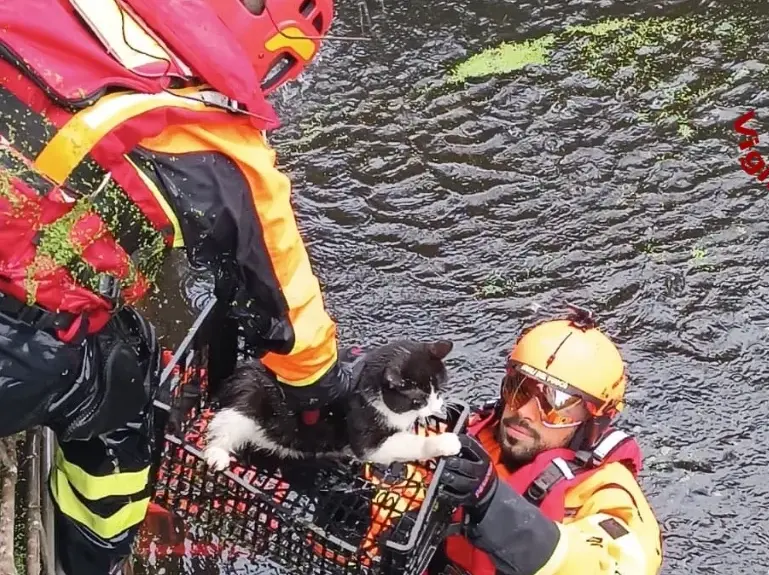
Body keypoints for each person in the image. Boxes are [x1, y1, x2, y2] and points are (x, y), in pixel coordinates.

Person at [0, 1, 413, 574]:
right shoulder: (214, 142)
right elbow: (296, 330)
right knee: (122, 402)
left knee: (128, 336)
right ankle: (86, 559)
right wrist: (326, 398)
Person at [430, 306, 664, 575]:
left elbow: (618, 565)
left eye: (555, 404)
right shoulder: (467, 435)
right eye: (520, 389)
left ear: (592, 422)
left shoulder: (608, 492)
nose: (524, 412)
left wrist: (493, 503)